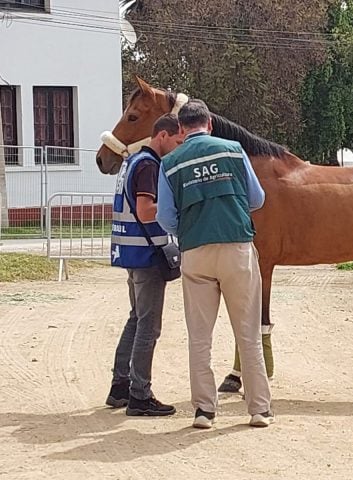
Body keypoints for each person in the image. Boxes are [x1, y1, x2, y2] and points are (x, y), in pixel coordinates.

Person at [156, 99, 274, 429]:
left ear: (180, 129)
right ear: (209, 124)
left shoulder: (170, 163)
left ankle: (205, 411)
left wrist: (192, 231)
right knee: (247, 332)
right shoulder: (234, 150)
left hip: (196, 252)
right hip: (237, 245)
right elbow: (257, 199)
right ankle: (259, 409)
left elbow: (164, 216)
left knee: (199, 336)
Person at [106, 114, 184, 416]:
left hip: (131, 253)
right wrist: (177, 210)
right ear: (162, 136)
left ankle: (120, 386)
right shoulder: (150, 165)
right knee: (149, 327)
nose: (178, 148)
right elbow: (145, 208)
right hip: (148, 255)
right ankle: (140, 394)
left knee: (136, 319)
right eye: (177, 141)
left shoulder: (132, 162)